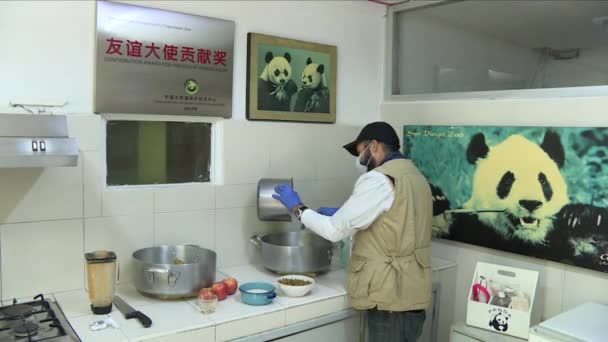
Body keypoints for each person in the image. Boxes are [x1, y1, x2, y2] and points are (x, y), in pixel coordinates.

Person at [272, 122, 433, 342]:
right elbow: (399, 218)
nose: (359, 158)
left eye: (360, 151)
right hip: (409, 292)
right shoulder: (415, 176)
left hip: (390, 297)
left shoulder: (379, 179)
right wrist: (343, 214)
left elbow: (333, 231)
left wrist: (298, 209)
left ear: (374, 146)